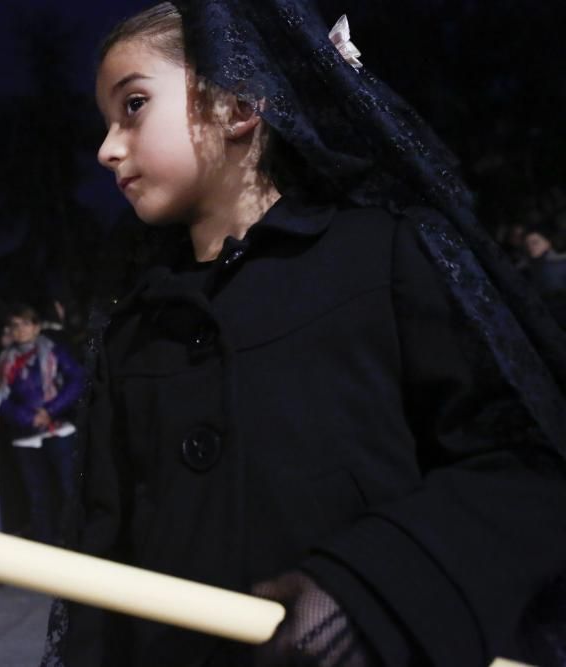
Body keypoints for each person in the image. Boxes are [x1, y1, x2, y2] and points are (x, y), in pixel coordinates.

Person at [43, 3, 566, 666]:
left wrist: (375, 585)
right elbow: (104, 555)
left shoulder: (383, 260)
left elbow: (525, 462)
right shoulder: (133, 331)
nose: (107, 147)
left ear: (237, 105)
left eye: (135, 104)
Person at [0, 305, 84, 544]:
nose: (20, 330)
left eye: (25, 323)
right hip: (26, 436)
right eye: (15, 325)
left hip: (58, 429)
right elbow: (2, 400)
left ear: (36, 326)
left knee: (69, 490)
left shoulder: (54, 351)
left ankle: (73, 542)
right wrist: (27, 418)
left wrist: (51, 410)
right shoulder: (6, 360)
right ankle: (46, 545)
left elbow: (76, 380)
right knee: (37, 495)